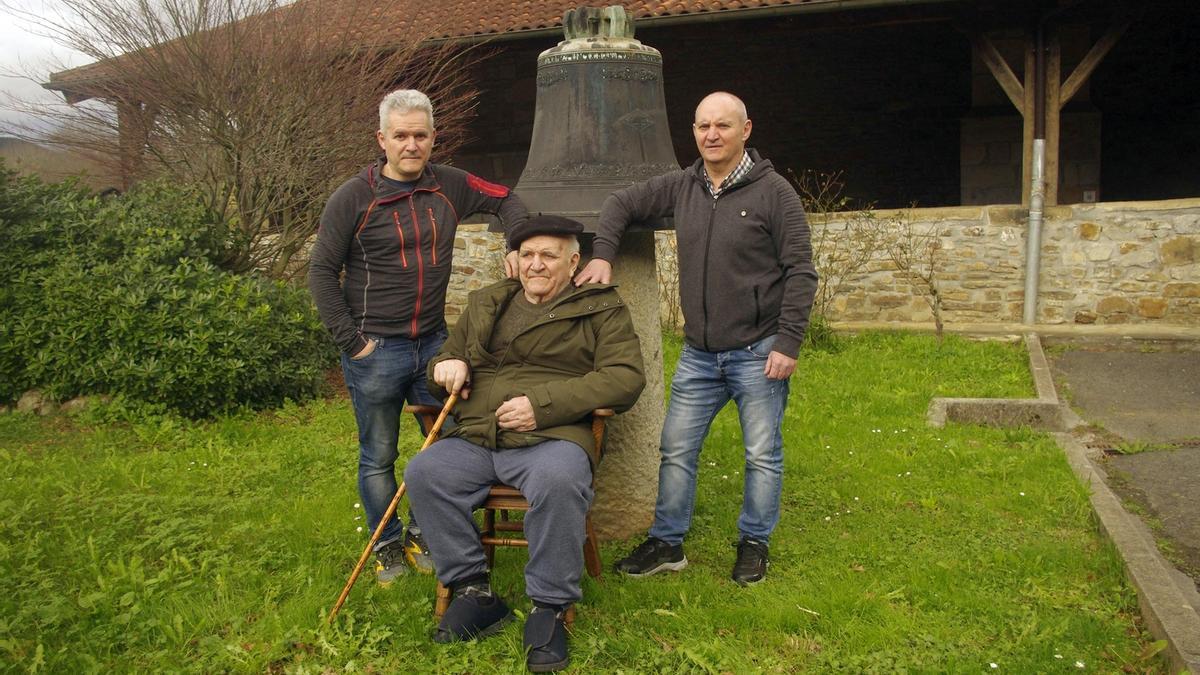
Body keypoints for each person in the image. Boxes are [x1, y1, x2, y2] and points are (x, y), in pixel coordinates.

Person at [575, 91, 818, 586]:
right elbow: (622, 201)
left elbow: (801, 273)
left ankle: (754, 543)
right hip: (700, 355)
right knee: (677, 449)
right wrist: (602, 253)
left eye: (722, 126)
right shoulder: (684, 185)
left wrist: (788, 342)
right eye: (703, 126)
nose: (711, 135)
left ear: (745, 130)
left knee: (761, 454)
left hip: (759, 351)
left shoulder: (776, 194)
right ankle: (668, 543)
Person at [404, 215, 645, 672]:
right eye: (528, 255)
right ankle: (474, 590)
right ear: (515, 259)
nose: (536, 265)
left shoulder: (600, 309)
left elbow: (626, 378)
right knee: (426, 472)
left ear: (574, 262)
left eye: (549, 256)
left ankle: (549, 608)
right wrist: (447, 366)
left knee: (558, 480)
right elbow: (446, 358)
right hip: (477, 434)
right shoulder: (487, 301)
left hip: (550, 436)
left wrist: (543, 403)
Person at [308, 89, 527, 583]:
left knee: (453, 442)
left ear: (433, 138)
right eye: (401, 135)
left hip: (435, 346)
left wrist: (517, 241)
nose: (411, 144)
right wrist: (354, 342)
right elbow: (321, 271)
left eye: (420, 135)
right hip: (375, 350)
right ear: (382, 139)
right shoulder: (353, 197)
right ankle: (386, 544)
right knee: (378, 454)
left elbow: (506, 199)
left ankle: (428, 532)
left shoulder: (449, 184)